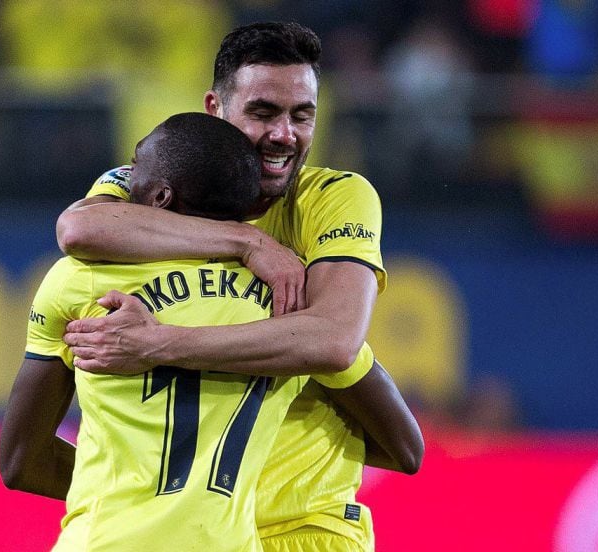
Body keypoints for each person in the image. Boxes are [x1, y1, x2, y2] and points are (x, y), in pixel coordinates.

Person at [57, 22, 423, 551]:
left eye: (302, 115)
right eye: (263, 112)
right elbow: (79, 227)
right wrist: (246, 243)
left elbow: (335, 340)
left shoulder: (335, 198)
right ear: (215, 107)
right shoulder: (158, 175)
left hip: (304, 528)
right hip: (194, 531)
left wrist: (159, 345)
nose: (284, 135)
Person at [0, 112, 312, 551]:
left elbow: (20, 463)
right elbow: (405, 448)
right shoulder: (295, 306)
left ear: (161, 196)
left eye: (135, 169)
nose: (123, 184)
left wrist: (139, 492)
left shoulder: (83, 280)